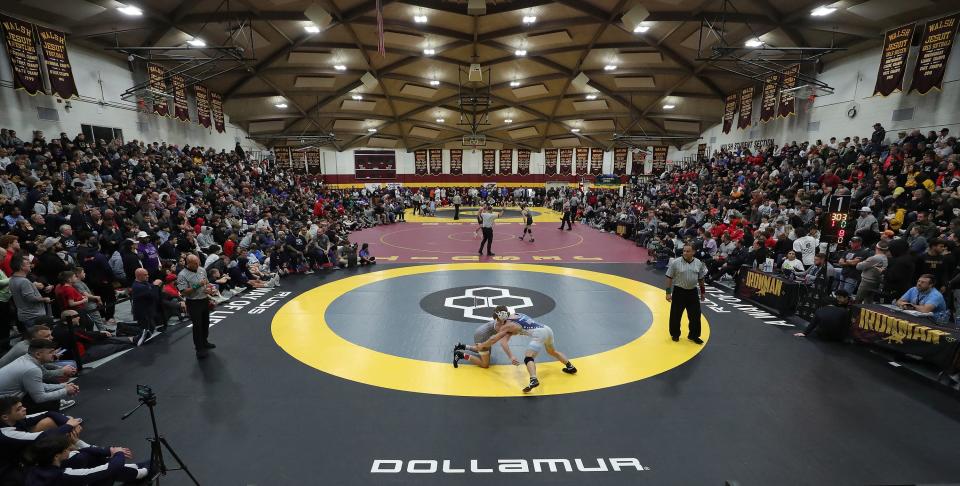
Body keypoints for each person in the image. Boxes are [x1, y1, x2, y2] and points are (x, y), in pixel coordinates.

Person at [477, 306, 577, 393]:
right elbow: (518, 328)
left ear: (500, 317)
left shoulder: (506, 326)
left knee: (528, 358)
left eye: (497, 319)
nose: (497, 322)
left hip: (539, 334)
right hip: (547, 329)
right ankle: (570, 367)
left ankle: (533, 379)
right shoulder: (517, 314)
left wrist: (482, 345)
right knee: (552, 352)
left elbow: (493, 339)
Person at [25, 434, 152, 485]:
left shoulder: (34, 469)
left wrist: (108, 451)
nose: (69, 450)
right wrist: (118, 453)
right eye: (65, 450)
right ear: (56, 456)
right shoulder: (62, 475)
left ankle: (136, 469)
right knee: (108, 472)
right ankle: (144, 471)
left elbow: (80, 450)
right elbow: (111, 468)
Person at [0, 339, 79, 413]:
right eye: (51, 352)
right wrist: (66, 391)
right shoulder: (32, 368)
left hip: (7, 399)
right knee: (51, 402)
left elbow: (38, 386)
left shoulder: (27, 358)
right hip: (4, 407)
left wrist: (63, 386)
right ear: (38, 354)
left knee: (53, 387)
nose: (54, 354)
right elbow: (40, 398)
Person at [665, 244, 707, 344]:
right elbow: (669, 277)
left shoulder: (698, 263)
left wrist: (702, 292)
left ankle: (694, 335)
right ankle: (675, 334)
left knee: (695, 315)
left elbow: (701, 278)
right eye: (684, 251)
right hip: (679, 291)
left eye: (688, 251)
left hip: (692, 292)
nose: (685, 253)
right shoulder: (675, 262)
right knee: (676, 315)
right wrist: (668, 292)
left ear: (693, 252)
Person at [177, 254, 215, 358]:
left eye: (198, 262)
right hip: (193, 302)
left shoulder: (202, 269)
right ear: (188, 264)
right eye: (195, 264)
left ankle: (204, 341)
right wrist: (198, 285)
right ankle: (199, 348)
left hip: (204, 299)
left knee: (206, 323)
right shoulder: (182, 275)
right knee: (197, 326)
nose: (197, 265)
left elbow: (206, 283)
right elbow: (184, 292)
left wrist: (209, 289)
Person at [8, 256, 51, 328]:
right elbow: (31, 298)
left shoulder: (12, 279)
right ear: (21, 267)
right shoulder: (24, 281)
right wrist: (45, 299)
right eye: (28, 263)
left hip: (25, 315)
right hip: (34, 316)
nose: (30, 265)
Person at [130, 268, 161, 335]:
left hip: (147, 312)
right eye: (145, 275)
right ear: (139, 276)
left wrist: (154, 285)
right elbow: (154, 296)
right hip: (143, 314)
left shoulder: (143, 282)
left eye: (147, 274)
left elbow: (150, 287)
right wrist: (156, 285)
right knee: (146, 331)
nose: (148, 276)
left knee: (151, 329)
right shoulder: (138, 286)